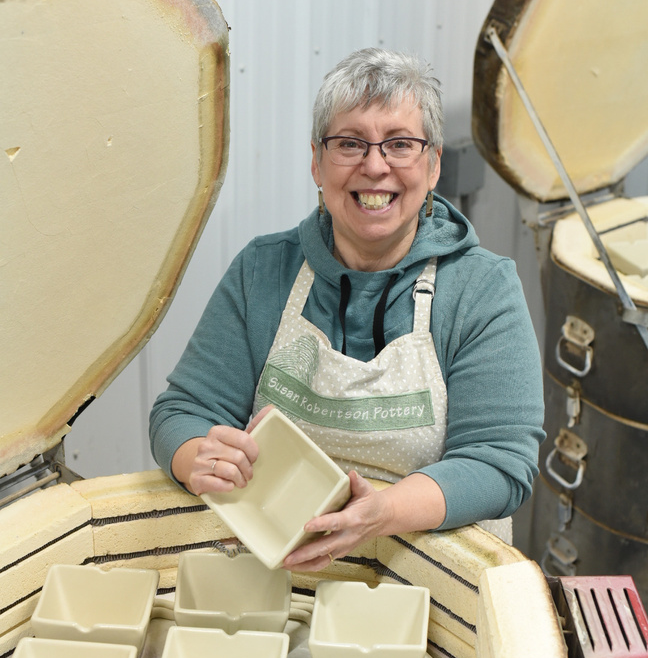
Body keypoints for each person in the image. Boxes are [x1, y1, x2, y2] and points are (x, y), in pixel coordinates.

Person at [149, 48, 544, 571]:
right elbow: (182, 413)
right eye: (350, 144)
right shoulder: (263, 272)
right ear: (317, 161)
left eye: (400, 144)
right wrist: (196, 454)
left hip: (428, 587)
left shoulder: (481, 289)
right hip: (277, 573)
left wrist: (384, 510)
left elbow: (499, 464)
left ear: (433, 166)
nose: (375, 166)